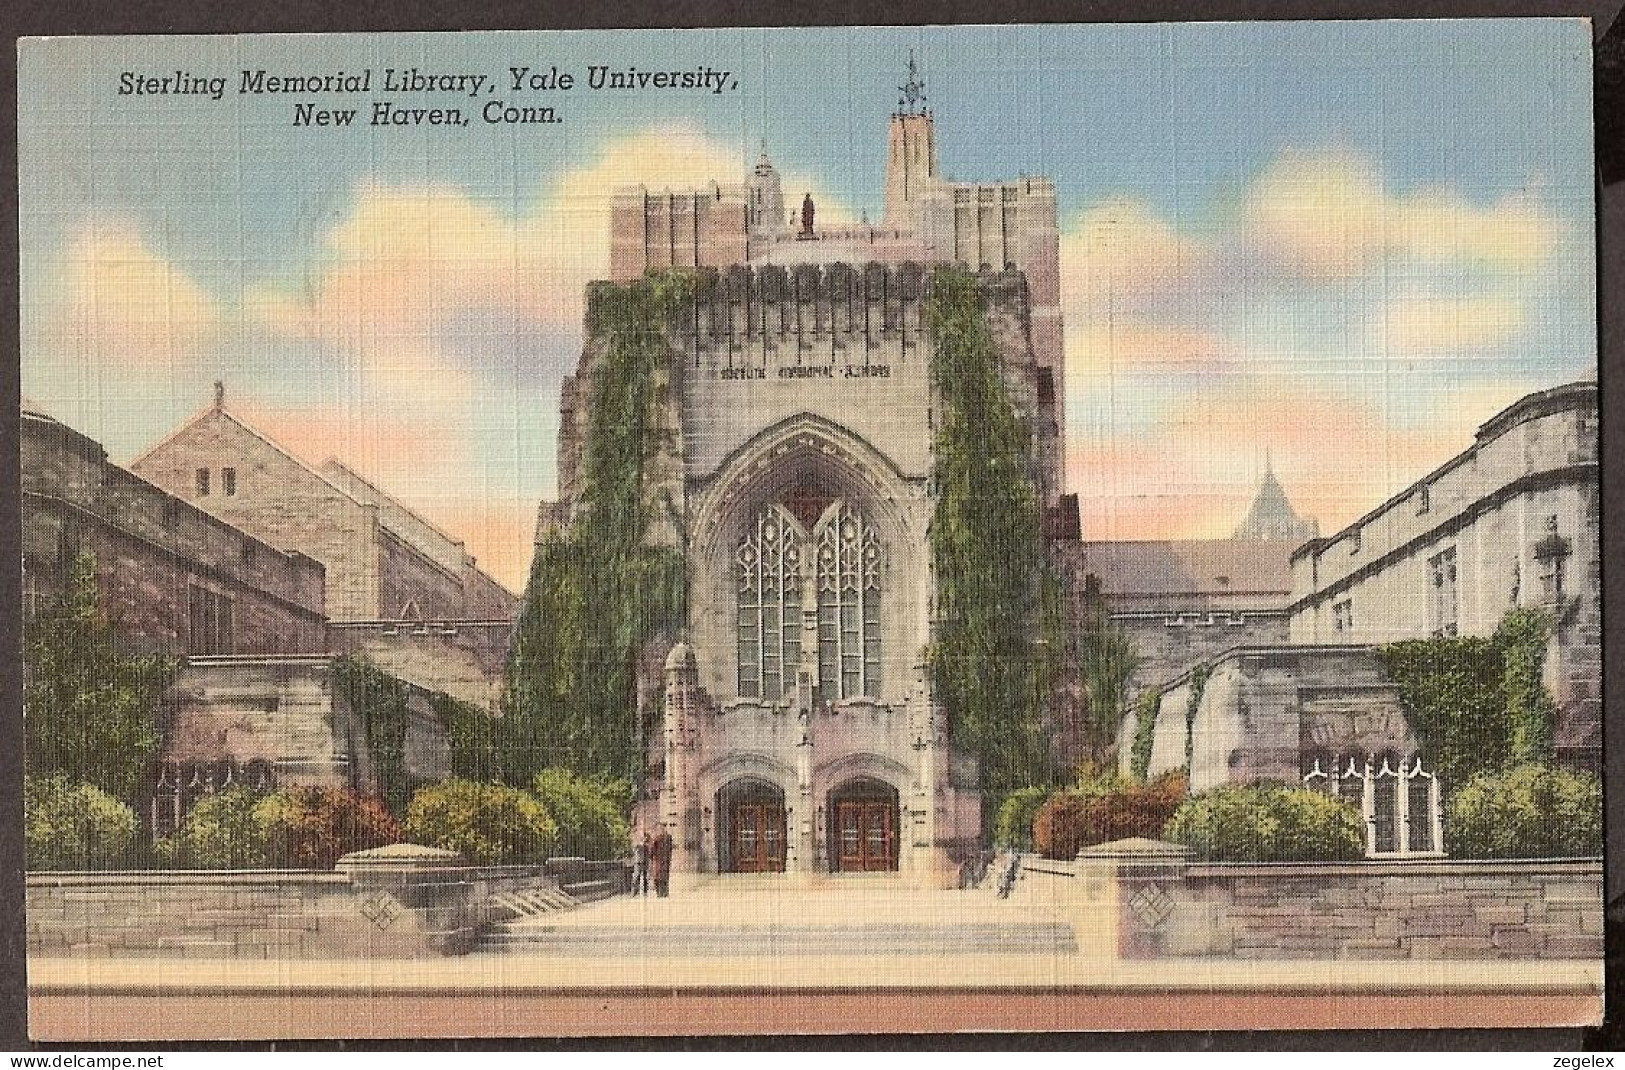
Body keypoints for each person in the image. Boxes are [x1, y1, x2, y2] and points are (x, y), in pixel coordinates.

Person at [649, 825, 674, 898]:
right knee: (664, 877)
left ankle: (660, 894)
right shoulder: (668, 838)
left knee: (658, 877)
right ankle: (664, 893)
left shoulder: (657, 839)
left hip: (658, 861)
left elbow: (651, 851)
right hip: (665, 861)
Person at [629, 827, 649, 896]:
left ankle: (645, 892)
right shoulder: (636, 843)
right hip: (637, 862)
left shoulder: (646, 844)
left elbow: (648, 849)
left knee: (645, 877)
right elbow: (636, 846)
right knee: (636, 876)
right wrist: (642, 842)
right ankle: (633, 892)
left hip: (645, 861)